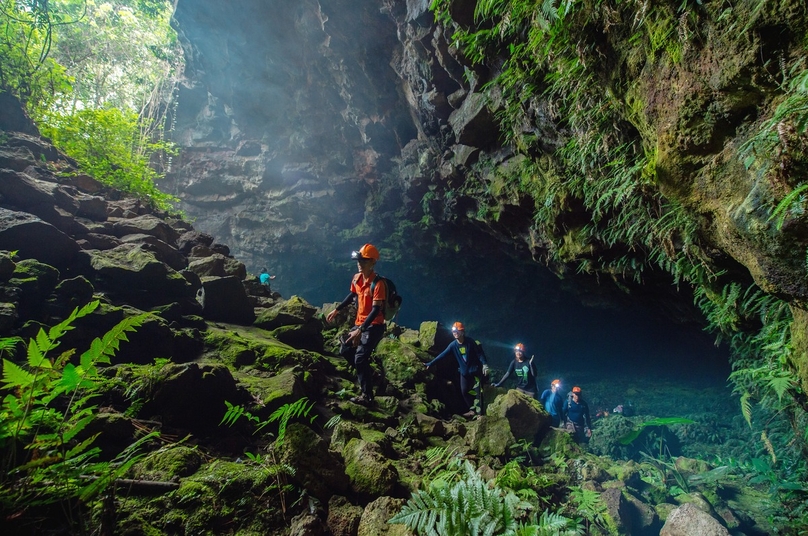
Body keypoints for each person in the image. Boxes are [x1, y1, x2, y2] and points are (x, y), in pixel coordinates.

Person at [325, 244, 387, 405]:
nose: (360, 263)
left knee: (360, 357)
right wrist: (337, 310)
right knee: (345, 349)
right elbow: (352, 295)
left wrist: (360, 330)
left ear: (373, 262)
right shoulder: (356, 278)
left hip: (374, 325)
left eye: (364, 261)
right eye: (359, 260)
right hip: (360, 323)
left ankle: (367, 396)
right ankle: (370, 375)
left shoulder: (378, 284)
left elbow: (375, 310)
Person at [425, 322, 490, 418]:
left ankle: (480, 415)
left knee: (477, 393)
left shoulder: (470, 342)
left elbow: (479, 354)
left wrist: (485, 365)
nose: (454, 333)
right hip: (464, 373)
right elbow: (442, 355)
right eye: (453, 331)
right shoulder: (453, 345)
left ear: (462, 332)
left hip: (474, 372)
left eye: (456, 331)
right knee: (464, 391)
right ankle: (472, 410)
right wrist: (430, 363)